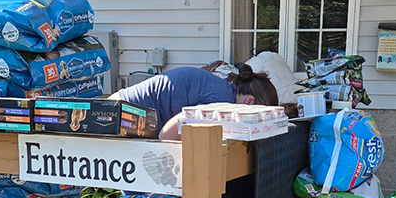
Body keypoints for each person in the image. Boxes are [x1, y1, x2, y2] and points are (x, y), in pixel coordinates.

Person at [110, 64, 279, 140]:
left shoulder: (225, 90)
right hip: (121, 115)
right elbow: (167, 135)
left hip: (126, 112)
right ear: (250, 102)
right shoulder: (222, 103)